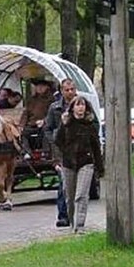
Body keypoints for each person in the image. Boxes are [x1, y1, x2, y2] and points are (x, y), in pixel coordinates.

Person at [53, 95, 103, 234]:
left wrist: (100, 168)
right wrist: (58, 160)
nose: (80, 108)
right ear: (72, 108)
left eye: (83, 105)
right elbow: (58, 141)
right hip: (68, 163)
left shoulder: (90, 125)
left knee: (81, 195)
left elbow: (96, 147)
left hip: (86, 163)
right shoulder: (66, 123)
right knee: (69, 196)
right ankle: (72, 221)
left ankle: (80, 225)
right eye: (77, 105)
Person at [44, 78, 79, 227]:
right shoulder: (55, 108)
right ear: (62, 91)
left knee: (78, 187)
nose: (70, 92)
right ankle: (63, 215)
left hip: (79, 149)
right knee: (63, 183)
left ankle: (78, 215)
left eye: (72, 89)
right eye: (67, 90)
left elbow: (93, 123)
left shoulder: (82, 105)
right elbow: (47, 128)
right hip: (61, 151)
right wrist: (55, 140)